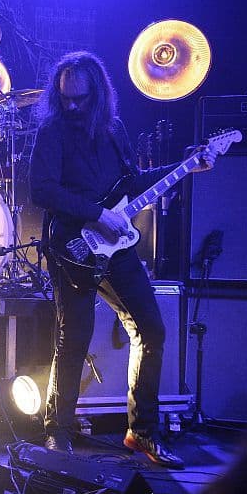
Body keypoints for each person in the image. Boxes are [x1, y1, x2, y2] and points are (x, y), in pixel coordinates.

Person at [29, 51, 216, 468]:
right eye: (64, 98)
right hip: (73, 247)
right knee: (73, 339)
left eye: (79, 99)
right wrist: (97, 214)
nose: (71, 106)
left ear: (97, 94)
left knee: (151, 330)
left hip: (117, 248)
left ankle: (142, 431)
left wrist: (186, 165)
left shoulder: (113, 129)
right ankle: (58, 433)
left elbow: (133, 183)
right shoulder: (52, 132)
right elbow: (41, 189)